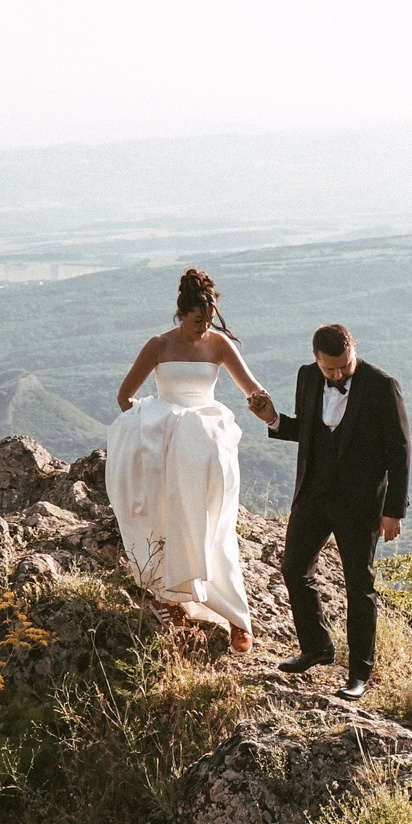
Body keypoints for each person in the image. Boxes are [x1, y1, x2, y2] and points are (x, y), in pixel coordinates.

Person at [108, 268, 272, 652]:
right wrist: (146, 430)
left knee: (214, 525)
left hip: (204, 437)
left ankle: (237, 617)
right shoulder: (158, 345)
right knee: (166, 521)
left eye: (209, 320)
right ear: (181, 314)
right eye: (198, 320)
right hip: (166, 438)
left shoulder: (219, 345)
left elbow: (251, 388)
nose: (204, 327)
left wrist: (261, 402)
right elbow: (125, 396)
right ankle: (169, 598)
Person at [254, 322, 409, 703]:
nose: (338, 375)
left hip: (360, 505)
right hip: (313, 495)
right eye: (330, 369)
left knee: (359, 586)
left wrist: (393, 511)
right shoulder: (307, 377)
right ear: (316, 359)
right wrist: (273, 419)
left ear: (353, 350)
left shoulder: (382, 385)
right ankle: (317, 647)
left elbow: (399, 450)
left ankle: (359, 674)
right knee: (294, 569)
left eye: (344, 366)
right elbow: (310, 431)